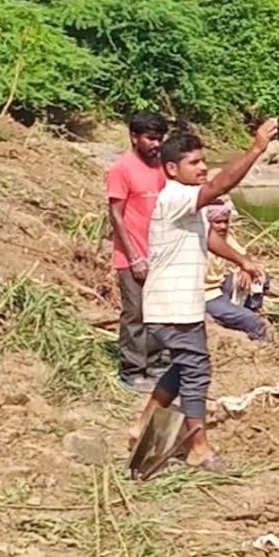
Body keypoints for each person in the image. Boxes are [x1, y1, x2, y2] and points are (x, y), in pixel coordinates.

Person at [127, 119, 278, 471]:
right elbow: (220, 185)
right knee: (197, 370)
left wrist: (242, 260)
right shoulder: (176, 196)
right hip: (172, 305)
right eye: (194, 163)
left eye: (203, 160)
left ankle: (140, 426)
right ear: (171, 169)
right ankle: (198, 448)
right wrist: (256, 148)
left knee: (183, 368)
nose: (203, 167)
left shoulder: (187, 206)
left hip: (179, 305)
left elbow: (207, 238)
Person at [106, 112, 170, 394]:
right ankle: (131, 370)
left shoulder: (162, 167)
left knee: (158, 312)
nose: (156, 144)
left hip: (159, 253)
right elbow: (116, 215)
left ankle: (156, 363)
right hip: (132, 255)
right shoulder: (122, 168)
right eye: (150, 139)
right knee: (135, 314)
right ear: (134, 137)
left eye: (159, 138)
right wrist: (133, 257)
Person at [203, 200, 272, 342]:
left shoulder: (225, 238)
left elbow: (242, 255)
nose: (223, 226)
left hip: (219, 287)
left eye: (225, 222)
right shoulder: (200, 241)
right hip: (206, 296)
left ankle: (251, 308)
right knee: (252, 321)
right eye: (217, 222)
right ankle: (262, 344)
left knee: (260, 274)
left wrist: (244, 269)